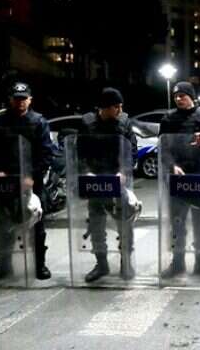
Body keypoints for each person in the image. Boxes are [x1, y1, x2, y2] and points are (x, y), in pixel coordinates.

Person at [159, 81, 200, 278]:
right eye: (176, 96)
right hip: (177, 178)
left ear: (191, 97)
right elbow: (163, 148)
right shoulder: (168, 118)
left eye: (182, 96)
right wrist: (172, 166)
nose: (178, 99)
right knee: (177, 224)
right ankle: (177, 264)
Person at [0, 82, 53, 281]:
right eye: (16, 98)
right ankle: (4, 264)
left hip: (31, 182)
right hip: (6, 181)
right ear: (10, 99)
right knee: (4, 223)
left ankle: (40, 264)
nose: (20, 102)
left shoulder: (39, 122)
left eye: (23, 98)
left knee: (37, 223)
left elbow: (46, 154)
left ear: (30, 100)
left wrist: (32, 176)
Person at [78, 88, 139, 282]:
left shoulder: (124, 122)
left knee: (124, 223)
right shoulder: (88, 123)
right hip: (96, 180)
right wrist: (86, 171)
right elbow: (80, 152)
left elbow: (132, 150)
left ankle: (126, 262)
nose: (120, 110)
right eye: (116, 107)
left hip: (118, 179)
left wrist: (124, 171)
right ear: (104, 107)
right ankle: (101, 264)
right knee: (96, 224)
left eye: (121, 106)